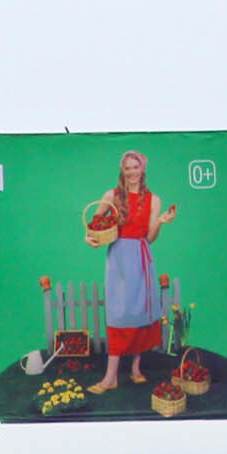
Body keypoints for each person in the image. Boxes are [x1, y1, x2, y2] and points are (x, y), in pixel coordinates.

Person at [86, 150, 179, 393]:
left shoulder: (153, 200)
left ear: (142, 170)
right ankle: (110, 377)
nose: (132, 173)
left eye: (135, 167)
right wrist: (90, 238)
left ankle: (136, 369)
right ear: (122, 171)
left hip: (141, 258)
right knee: (118, 314)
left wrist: (160, 221)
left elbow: (150, 237)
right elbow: (94, 226)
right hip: (118, 260)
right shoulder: (112, 195)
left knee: (139, 311)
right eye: (127, 168)